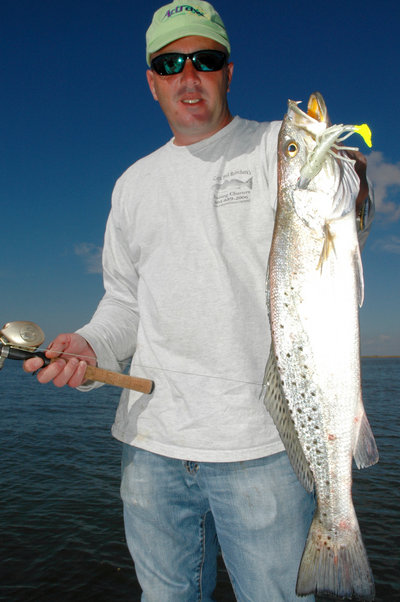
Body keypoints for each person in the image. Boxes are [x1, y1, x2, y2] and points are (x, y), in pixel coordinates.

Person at [24, 2, 372, 600]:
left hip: (262, 448)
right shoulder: (132, 184)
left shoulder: (274, 148)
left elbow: (350, 209)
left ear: (228, 73)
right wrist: (88, 344)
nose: (189, 75)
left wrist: (350, 173)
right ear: (153, 80)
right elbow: (124, 304)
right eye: (171, 62)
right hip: (151, 450)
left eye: (205, 60)